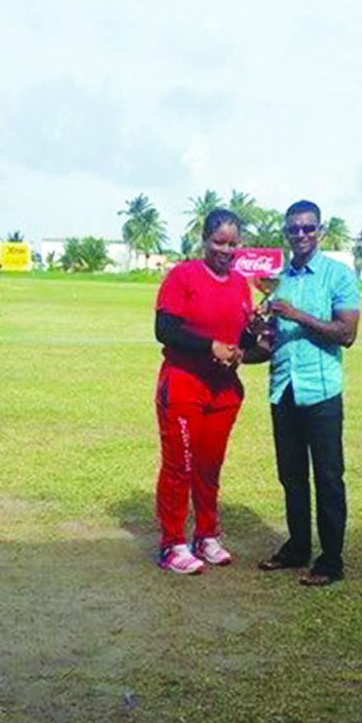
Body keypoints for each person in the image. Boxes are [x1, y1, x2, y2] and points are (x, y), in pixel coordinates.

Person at [258, 200, 361, 586]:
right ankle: (298, 547)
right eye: (294, 229)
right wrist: (253, 335)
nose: (301, 235)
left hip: (320, 392)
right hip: (284, 389)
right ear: (286, 233)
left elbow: (347, 334)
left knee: (329, 477)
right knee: (292, 476)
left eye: (308, 228)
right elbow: (270, 340)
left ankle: (331, 561)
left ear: (320, 231)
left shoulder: (338, 276)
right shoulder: (278, 279)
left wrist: (296, 315)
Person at [154, 209, 254, 574]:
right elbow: (165, 329)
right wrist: (209, 346)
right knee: (179, 466)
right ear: (204, 240)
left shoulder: (242, 285)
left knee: (210, 466)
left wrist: (245, 346)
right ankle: (172, 544)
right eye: (219, 242)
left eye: (233, 244)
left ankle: (206, 535)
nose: (226, 250)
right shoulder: (183, 276)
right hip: (184, 384)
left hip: (223, 390)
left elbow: (242, 337)